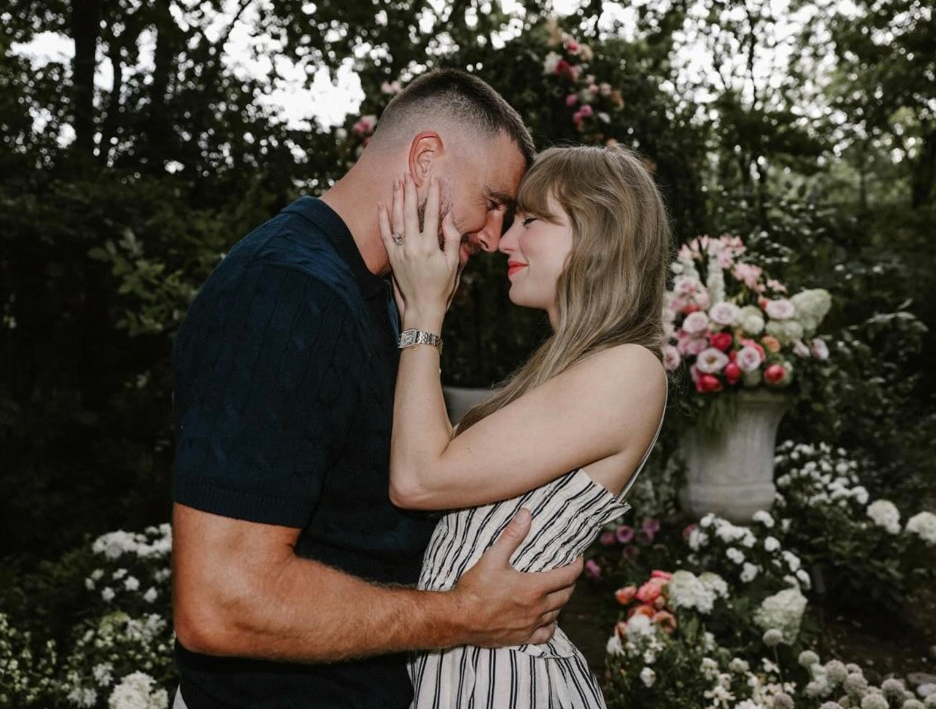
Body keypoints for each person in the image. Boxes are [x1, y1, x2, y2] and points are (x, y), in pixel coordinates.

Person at [169, 70, 583, 709]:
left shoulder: (375, 294)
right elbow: (223, 603)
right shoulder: (286, 293)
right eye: (493, 201)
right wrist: (465, 614)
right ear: (425, 158)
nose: (495, 237)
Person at [379, 145, 671, 707]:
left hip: (504, 681)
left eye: (532, 221)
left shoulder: (629, 369)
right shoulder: (565, 371)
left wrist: (424, 315)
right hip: (464, 666)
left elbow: (417, 478)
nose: (505, 241)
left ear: (599, 233)